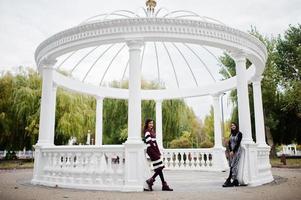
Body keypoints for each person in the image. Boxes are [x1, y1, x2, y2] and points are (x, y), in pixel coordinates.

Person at [144, 119, 173, 191]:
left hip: (154, 151)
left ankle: (163, 184)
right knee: (161, 167)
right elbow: (150, 143)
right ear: (147, 124)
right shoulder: (147, 132)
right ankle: (152, 180)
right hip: (151, 151)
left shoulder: (152, 132)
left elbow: (155, 143)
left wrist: (158, 152)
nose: (151, 124)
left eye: (152, 123)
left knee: (159, 168)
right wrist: (156, 153)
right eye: (150, 123)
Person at [223, 122, 242, 187]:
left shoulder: (239, 134)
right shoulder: (231, 134)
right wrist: (231, 151)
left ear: (236, 126)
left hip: (237, 151)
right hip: (231, 152)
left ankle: (229, 179)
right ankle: (235, 181)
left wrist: (233, 151)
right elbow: (229, 143)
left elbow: (238, 143)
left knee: (233, 165)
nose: (233, 126)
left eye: (234, 125)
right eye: (231, 125)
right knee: (231, 164)